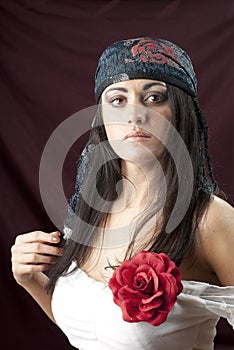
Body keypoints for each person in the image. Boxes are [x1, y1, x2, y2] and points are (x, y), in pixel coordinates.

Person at [11, 37, 234, 350]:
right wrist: (29, 279)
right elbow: (94, 328)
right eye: (117, 100)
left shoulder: (210, 220)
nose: (135, 115)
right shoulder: (93, 210)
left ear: (181, 112)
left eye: (155, 97)